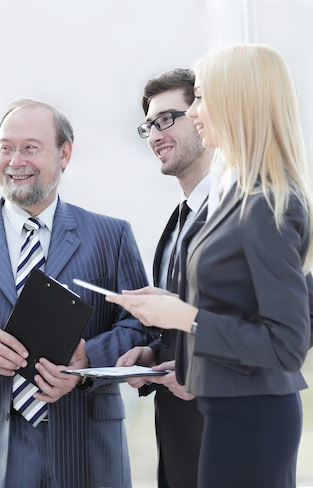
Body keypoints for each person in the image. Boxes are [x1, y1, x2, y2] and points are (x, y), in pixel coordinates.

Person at [107, 44, 313, 488]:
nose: (197, 110)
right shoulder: (239, 200)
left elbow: (287, 342)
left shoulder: (265, 204)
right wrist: (174, 344)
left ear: (237, 100)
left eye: (200, 97)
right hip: (228, 410)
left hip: (250, 417)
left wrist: (183, 316)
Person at [0, 98, 153, 488]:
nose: (15, 160)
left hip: (87, 447)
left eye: (30, 147)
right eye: (6, 148)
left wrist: (87, 361)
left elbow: (141, 329)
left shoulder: (111, 237)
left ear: (65, 154)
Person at [116, 68, 212, 488]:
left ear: (204, 114)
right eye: (149, 126)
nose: (155, 134)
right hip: (176, 443)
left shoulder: (245, 209)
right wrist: (153, 355)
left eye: (167, 119)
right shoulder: (173, 225)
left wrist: (204, 373)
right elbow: (180, 328)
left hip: (228, 436)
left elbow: (279, 324)